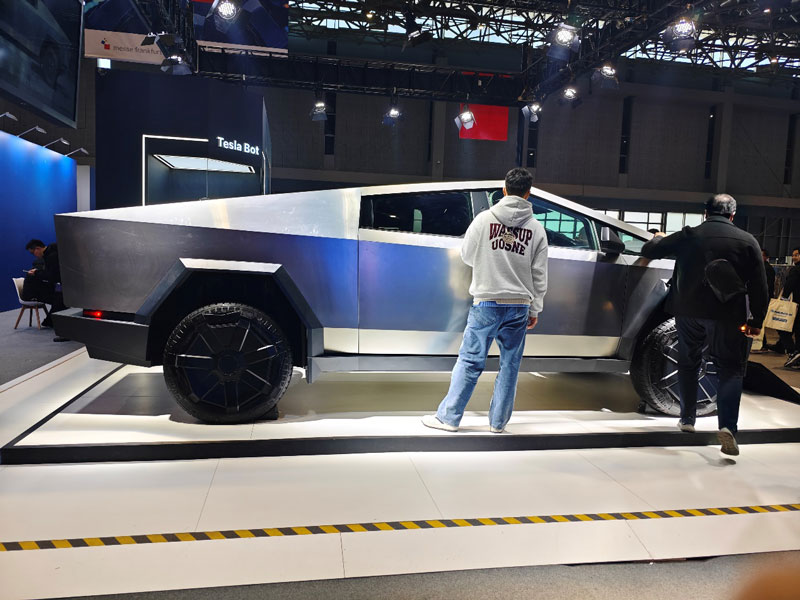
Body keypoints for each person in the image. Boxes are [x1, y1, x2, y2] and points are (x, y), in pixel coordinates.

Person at [422, 168, 548, 433]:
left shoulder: (483, 220)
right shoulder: (536, 229)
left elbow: (467, 256)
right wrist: (535, 309)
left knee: (470, 361)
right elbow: (539, 274)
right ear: (528, 193)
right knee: (510, 365)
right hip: (519, 306)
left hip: (487, 303)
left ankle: (449, 418)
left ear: (504, 189)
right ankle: (498, 423)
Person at [641, 194, 768, 456]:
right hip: (728, 314)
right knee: (730, 369)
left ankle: (687, 419)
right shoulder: (747, 241)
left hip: (688, 312)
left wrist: (658, 238)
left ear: (706, 213)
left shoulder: (689, 235)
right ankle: (728, 426)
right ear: (733, 215)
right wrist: (757, 320)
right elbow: (759, 285)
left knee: (688, 362)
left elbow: (650, 251)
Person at [23, 239, 68, 337]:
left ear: (38, 248)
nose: (34, 255)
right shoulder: (53, 252)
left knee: (59, 299)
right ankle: (51, 321)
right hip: (36, 293)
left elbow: (52, 276)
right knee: (59, 299)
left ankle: (51, 322)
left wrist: (37, 273)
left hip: (41, 290)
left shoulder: (50, 257)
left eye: (33, 253)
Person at [777, 247, 800, 367]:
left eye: (796, 255)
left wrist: (783, 299)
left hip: (796, 305)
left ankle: (793, 352)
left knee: (782, 328)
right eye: (793, 255)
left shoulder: (796, 270)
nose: (794, 257)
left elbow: (789, 285)